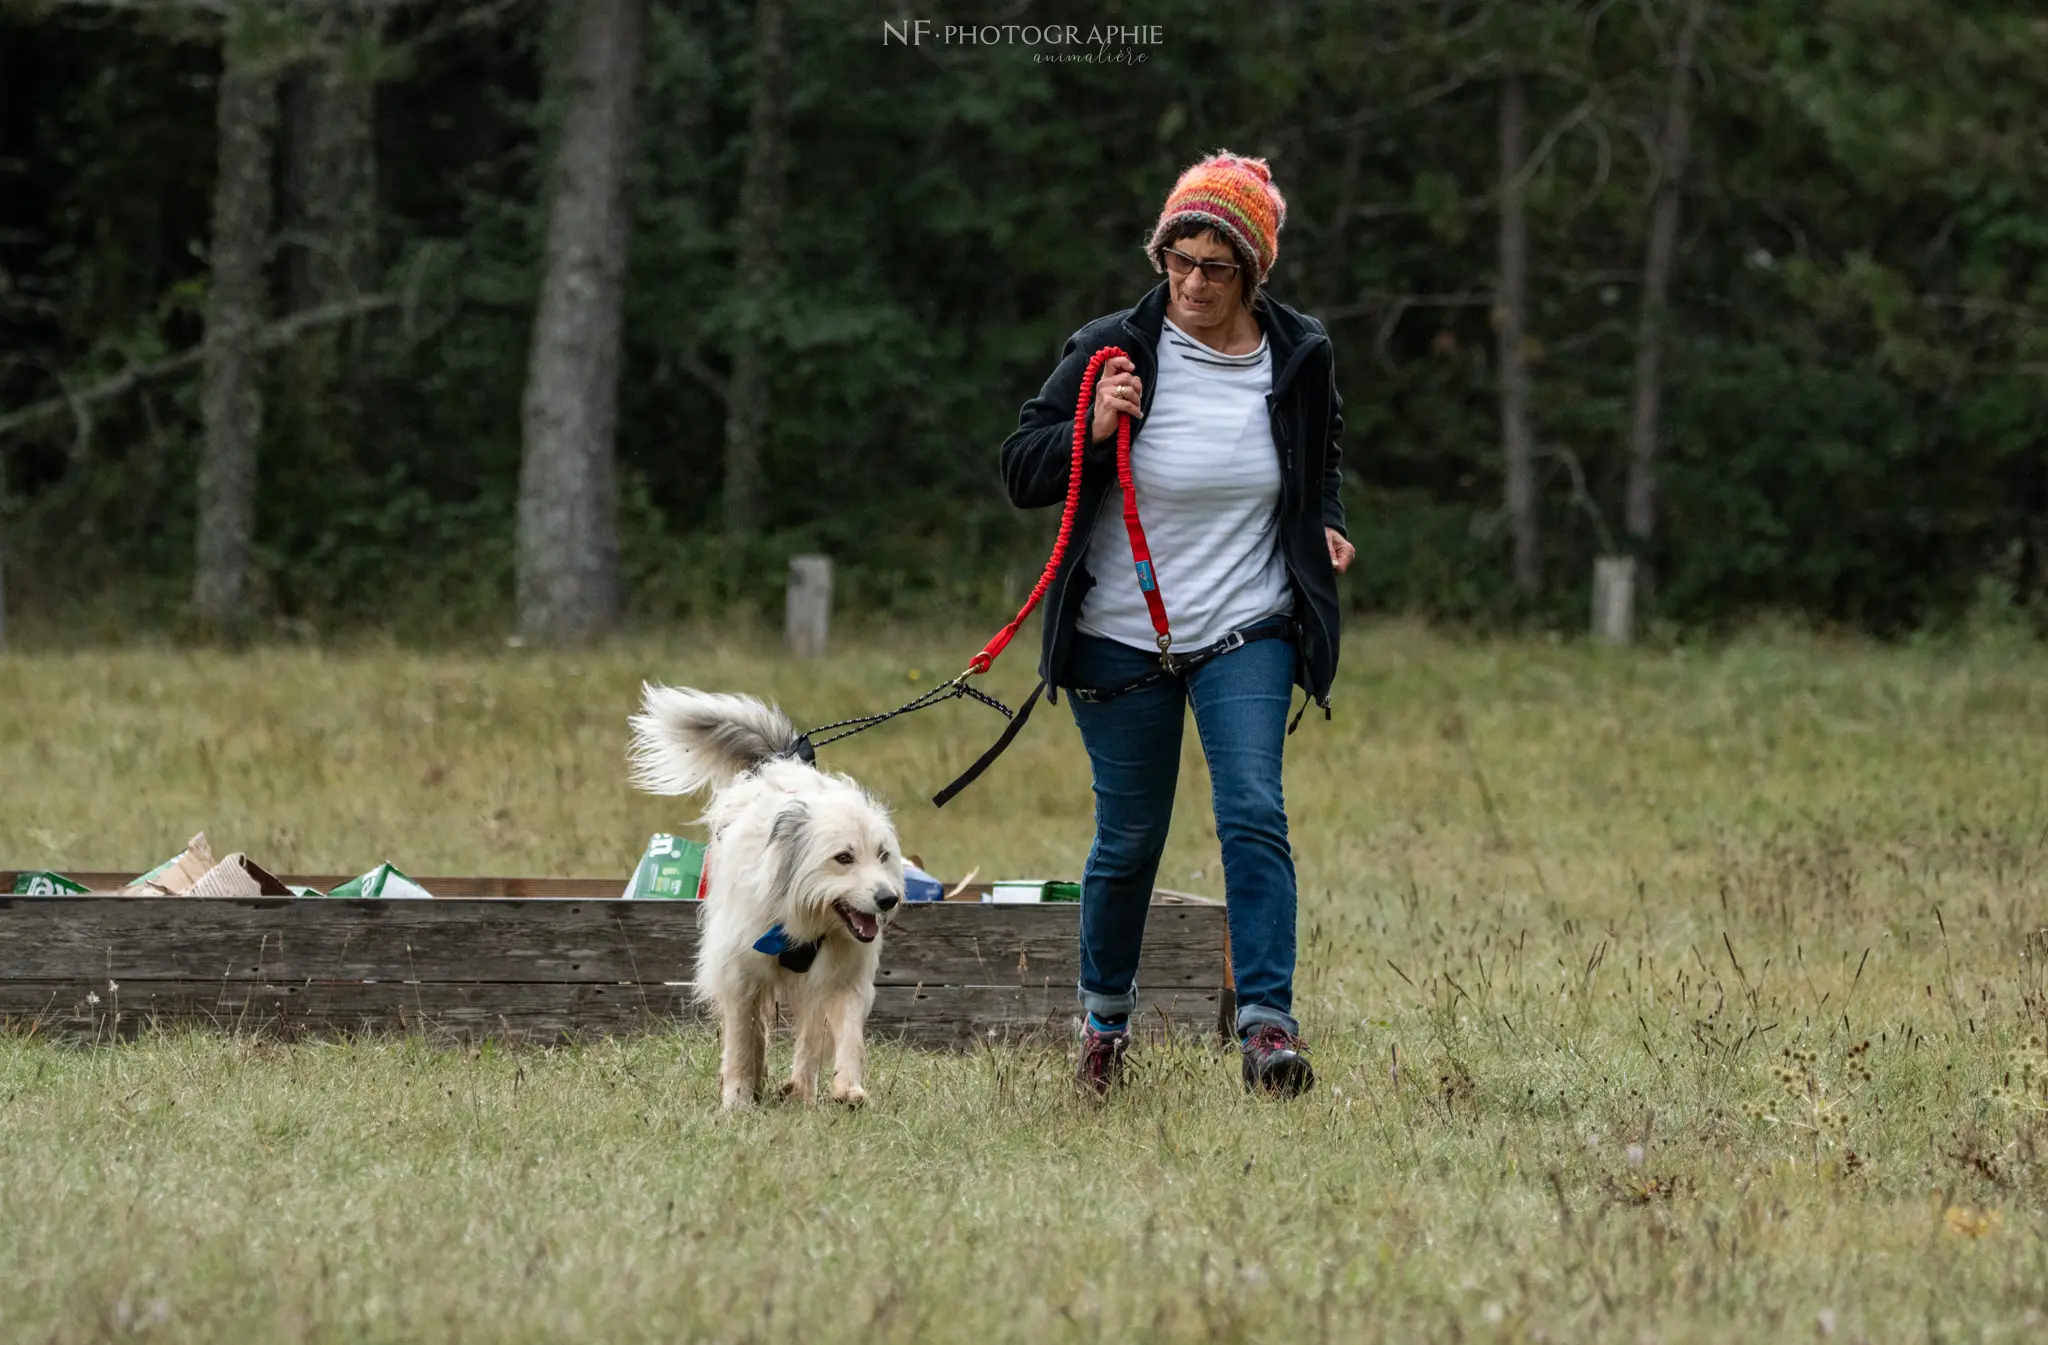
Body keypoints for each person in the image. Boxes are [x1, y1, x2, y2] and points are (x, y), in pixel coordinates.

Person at [998, 150, 1354, 1099]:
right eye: (1179, 261)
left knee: (1253, 811)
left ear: (1254, 272)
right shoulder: (1111, 347)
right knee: (1129, 842)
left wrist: (1329, 526)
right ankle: (1104, 1027)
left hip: (1249, 625)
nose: (1194, 283)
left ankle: (1266, 1026)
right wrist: (1093, 429)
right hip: (1122, 633)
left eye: (1217, 266)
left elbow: (1319, 463)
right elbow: (1021, 469)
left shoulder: (1300, 352)